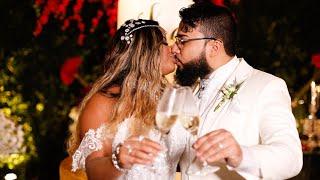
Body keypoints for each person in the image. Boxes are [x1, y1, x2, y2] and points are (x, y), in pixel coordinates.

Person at [172, 2, 303, 179]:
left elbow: (291, 158)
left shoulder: (266, 86)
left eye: (182, 40)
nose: (174, 48)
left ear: (214, 47)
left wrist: (241, 155)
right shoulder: (188, 91)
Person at [68, 19, 188, 180]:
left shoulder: (168, 97)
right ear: (147, 51)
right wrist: (118, 160)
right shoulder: (104, 102)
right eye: (166, 43)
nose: (173, 49)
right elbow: (93, 170)